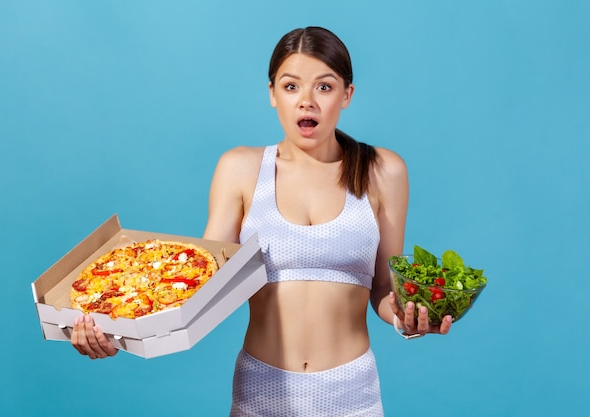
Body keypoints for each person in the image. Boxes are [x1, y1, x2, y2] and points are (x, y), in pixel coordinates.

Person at [71, 26, 453, 416]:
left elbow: (385, 288)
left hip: (351, 395)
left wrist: (408, 317)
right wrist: (117, 331)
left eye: (324, 87)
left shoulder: (383, 171)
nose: (307, 102)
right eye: (291, 87)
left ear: (347, 95)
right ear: (272, 94)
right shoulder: (240, 169)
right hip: (261, 393)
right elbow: (201, 287)